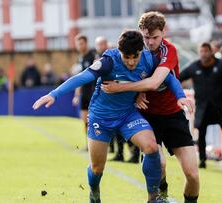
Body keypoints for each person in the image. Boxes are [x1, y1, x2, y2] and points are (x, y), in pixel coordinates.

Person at [33, 30, 192, 203]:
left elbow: (169, 78)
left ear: (141, 51)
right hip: (101, 118)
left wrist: (180, 96)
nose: (131, 62)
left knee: (152, 147)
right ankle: (94, 191)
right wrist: (54, 94)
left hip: (128, 115)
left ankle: (153, 198)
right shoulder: (108, 62)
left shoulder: (149, 59)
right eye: (127, 57)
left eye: (135, 57)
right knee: (97, 168)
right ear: (120, 52)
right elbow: (81, 77)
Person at [101, 11, 199, 203]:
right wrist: (134, 95)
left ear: (164, 32)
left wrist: (119, 88)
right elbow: (119, 74)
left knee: (193, 174)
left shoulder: (168, 51)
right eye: (147, 37)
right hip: (146, 117)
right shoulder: (133, 51)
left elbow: (155, 83)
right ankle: (160, 195)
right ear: (141, 33)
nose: (151, 42)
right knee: (159, 164)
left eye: (155, 37)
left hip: (173, 114)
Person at [178, 42, 222, 171]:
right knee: (201, 134)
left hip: (220, 107)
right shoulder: (194, 67)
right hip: (203, 108)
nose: (203, 54)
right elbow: (178, 78)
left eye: (206, 51)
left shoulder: (221, 65)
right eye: (201, 51)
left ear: (211, 52)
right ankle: (202, 160)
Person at [72, 34, 97, 150]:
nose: (79, 46)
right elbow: (78, 78)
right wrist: (77, 94)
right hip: (84, 92)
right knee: (84, 120)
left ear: (86, 43)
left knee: (94, 120)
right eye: (78, 44)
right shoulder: (79, 58)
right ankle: (88, 144)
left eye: (81, 43)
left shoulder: (92, 55)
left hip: (93, 91)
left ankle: (98, 144)